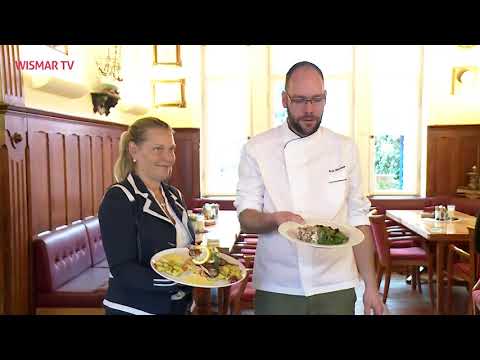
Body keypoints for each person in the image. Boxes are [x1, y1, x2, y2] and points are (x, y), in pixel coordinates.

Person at [235, 61, 384, 315]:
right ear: (284, 99)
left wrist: (371, 286)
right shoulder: (257, 148)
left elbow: (359, 217)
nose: (309, 109)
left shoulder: (344, 147)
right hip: (278, 284)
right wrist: (275, 219)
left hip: (337, 281)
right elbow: (246, 218)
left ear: (325, 98)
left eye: (316, 99)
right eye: (300, 100)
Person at [98, 117, 195, 315]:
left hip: (177, 307)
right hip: (135, 309)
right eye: (158, 149)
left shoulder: (174, 195)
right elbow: (122, 268)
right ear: (134, 150)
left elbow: (184, 250)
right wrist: (180, 279)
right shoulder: (120, 197)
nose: (168, 158)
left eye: (171, 149)